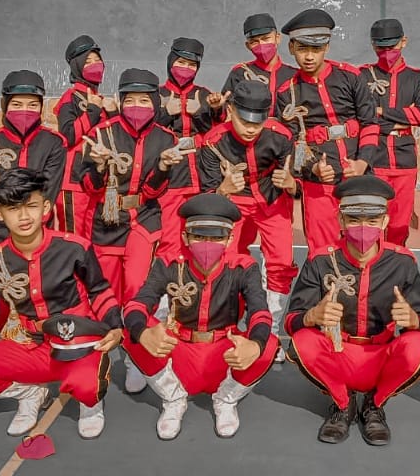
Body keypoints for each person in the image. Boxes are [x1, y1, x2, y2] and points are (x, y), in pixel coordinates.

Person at [0, 169, 124, 439]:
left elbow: (99, 291)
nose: (24, 216)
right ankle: (29, 392)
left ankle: (90, 403)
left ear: (46, 208)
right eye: (13, 209)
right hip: (28, 343)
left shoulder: (74, 248)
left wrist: (115, 326)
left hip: (75, 343)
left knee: (87, 387)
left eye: (31, 206)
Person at [284, 175, 420, 446]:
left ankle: (374, 405)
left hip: (381, 356)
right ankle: (343, 404)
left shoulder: (402, 263)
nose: (363, 228)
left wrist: (413, 320)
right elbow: (292, 320)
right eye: (354, 219)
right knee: (302, 342)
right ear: (340, 221)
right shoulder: (321, 260)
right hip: (337, 353)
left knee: (419, 347)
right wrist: (312, 316)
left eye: (372, 220)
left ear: (385, 222)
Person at [123, 193, 280, 439]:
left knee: (268, 343)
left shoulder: (243, 267)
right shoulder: (169, 263)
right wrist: (142, 333)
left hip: (224, 354)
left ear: (229, 239)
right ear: (185, 237)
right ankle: (173, 398)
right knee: (131, 331)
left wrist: (255, 344)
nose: (207, 244)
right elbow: (138, 303)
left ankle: (226, 399)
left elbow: (260, 311)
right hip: (179, 351)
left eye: (216, 237)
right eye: (198, 236)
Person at [78, 68, 183, 394]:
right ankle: (100, 353)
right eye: (130, 100)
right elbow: (88, 186)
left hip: (144, 221)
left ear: (155, 102)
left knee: (138, 290)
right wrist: (98, 166)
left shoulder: (166, 139)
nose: (137, 107)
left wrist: (162, 167)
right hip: (106, 222)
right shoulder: (101, 134)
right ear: (120, 101)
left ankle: (136, 357)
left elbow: (153, 192)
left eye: (144, 100)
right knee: (106, 293)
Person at [197, 81, 298, 361]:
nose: (252, 128)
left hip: (272, 199)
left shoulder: (281, 136)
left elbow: (299, 179)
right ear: (230, 111)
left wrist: (291, 183)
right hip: (233, 201)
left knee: (281, 264)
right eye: (245, 121)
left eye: (258, 121)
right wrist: (223, 190)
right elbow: (206, 193)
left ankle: (271, 333)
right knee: (227, 263)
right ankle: (228, 329)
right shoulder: (213, 142)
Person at [274, 8, 382, 256]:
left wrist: (363, 162)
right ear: (291, 48)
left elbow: (370, 123)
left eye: (316, 49)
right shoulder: (286, 92)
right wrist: (313, 167)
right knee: (323, 251)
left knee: (365, 248)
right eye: (302, 49)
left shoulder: (351, 76)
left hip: (359, 178)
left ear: (327, 47)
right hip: (318, 187)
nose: (309, 56)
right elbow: (291, 144)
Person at [0, 70, 67, 256]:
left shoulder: (55, 143)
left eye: (33, 105)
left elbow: (49, 189)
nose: (25, 110)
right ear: (5, 106)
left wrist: (3, 190)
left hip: (38, 230)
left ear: (41, 107)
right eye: (17, 104)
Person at [359, 18, 420, 245]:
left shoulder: (417, 77)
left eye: (392, 46)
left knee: (399, 225)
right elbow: (362, 116)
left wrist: (380, 111)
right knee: (372, 223)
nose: (387, 52)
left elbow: (419, 116)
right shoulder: (362, 76)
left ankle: (396, 261)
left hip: (404, 158)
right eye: (381, 47)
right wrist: (399, 119)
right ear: (373, 45)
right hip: (374, 157)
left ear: (403, 42)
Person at [154, 37, 224, 261]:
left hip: (202, 176)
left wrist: (204, 112)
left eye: (191, 65)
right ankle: (167, 278)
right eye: (181, 63)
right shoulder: (156, 95)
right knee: (169, 236)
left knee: (200, 236)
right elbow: (146, 134)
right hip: (171, 178)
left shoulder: (205, 95)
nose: (185, 69)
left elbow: (219, 134)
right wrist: (166, 113)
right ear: (170, 61)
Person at [52, 35, 116, 236]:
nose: (95, 65)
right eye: (88, 61)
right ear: (77, 66)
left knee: (90, 237)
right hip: (74, 181)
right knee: (73, 237)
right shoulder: (70, 97)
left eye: (98, 60)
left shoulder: (101, 99)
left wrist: (114, 113)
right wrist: (93, 111)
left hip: (97, 178)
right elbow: (68, 136)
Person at [221, 13, 297, 117]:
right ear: (248, 46)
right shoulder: (240, 73)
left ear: (277, 38)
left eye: (266, 39)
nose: (261, 44)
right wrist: (217, 108)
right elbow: (227, 110)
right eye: (254, 42)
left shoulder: (294, 75)